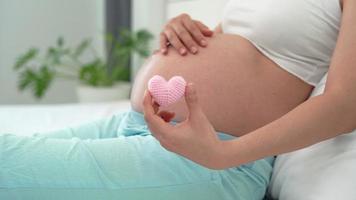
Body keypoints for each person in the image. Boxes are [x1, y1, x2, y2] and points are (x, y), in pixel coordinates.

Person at [1, 0, 355, 199]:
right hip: (138, 124)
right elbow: (251, 46)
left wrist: (222, 155)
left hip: (207, 157)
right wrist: (186, 27)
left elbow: (346, 104)